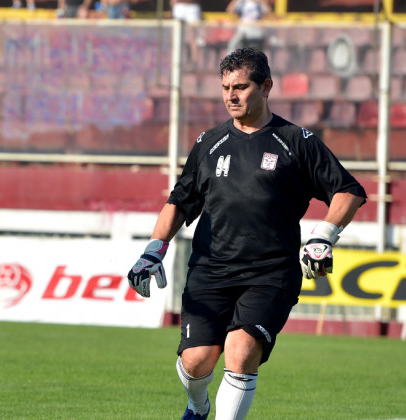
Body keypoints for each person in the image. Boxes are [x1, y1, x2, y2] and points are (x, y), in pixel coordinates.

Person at [127, 48, 366, 420]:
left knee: (240, 352)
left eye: (240, 87)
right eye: (225, 88)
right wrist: (153, 250)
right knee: (196, 361)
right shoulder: (209, 142)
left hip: (270, 273)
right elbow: (180, 201)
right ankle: (197, 406)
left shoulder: (297, 140)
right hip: (210, 270)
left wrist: (323, 236)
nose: (230, 96)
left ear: (266, 86)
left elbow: (348, 191)